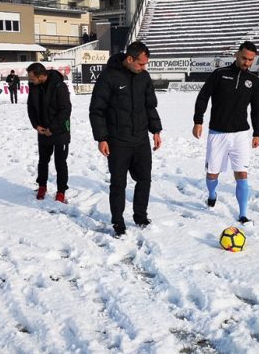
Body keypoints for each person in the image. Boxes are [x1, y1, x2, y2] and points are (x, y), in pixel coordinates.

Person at [89, 41, 162, 237]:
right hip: (118, 141)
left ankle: (140, 216)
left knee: (144, 179)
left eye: (145, 64)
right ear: (129, 59)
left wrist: (156, 131)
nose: (143, 68)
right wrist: (102, 138)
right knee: (118, 183)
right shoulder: (108, 77)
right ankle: (118, 222)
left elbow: (150, 106)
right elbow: (96, 110)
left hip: (140, 140)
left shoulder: (143, 77)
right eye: (141, 64)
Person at [193, 41, 259, 224]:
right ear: (236, 55)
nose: (247, 63)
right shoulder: (219, 74)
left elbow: (257, 109)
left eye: (250, 60)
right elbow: (203, 97)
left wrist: (258, 133)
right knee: (212, 175)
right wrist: (198, 121)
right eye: (244, 58)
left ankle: (243, 214)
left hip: (241, 135)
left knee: (241, 174)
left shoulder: (254, 82)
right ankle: (211, 193)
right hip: (217, 133)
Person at [26, 62, 72, 203]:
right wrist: (36, 126)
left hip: (59, 132)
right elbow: (31, 107)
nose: (30, 81)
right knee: (43, 161)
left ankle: (61, 191)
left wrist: (52, 128)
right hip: (42, 131)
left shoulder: (59, 86)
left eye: (32, 78)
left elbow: (65, 110)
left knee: (60, 163)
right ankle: (42, 186)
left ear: (41, 76)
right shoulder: (34, 87)